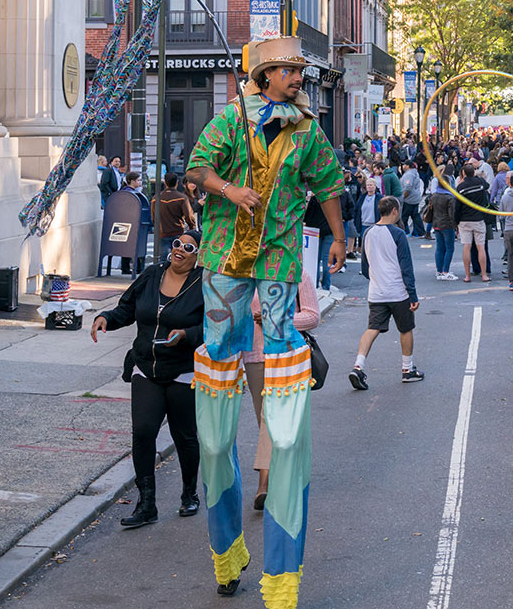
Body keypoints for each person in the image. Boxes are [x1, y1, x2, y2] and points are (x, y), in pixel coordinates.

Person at [186, 36, 345, 605]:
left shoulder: (306, 129)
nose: (299, 78)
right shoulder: (230, 121)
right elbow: (196, 169)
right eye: (289, 71)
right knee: (214, 421)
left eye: (299, 71)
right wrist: (232, 189)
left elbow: (328, 184)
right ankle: (227, 553)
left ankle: (282, 577)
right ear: (264, 75)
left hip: (278, 265)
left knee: (284, 420)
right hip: (224, 264)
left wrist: (339, 236)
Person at [91, 230, 205, 527]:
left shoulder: (203, 283)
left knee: (185, 436)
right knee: (143, 432)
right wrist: (106, 318)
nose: (179, 249)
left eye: (188, 247)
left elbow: (214, 326)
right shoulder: (152, 275)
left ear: (198, 256)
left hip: (183, 369)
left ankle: (189, 494)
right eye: (177, 244)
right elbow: (127, 309)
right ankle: (146, 504)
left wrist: (187, 335)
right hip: (146, 366)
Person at [244, 271, 320, 510]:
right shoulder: (246, 272)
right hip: (255, 357)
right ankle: (284, 478)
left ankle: (264, 482)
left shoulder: (297, 273)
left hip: (288, 357)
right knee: (265, 422)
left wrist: (274, 319)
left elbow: (312, 316)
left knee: (271, 420)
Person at [350, 197, 423, 390]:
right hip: (398, 291)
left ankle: (358, 365)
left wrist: (375, 277)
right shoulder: (398, 234)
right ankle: (407, 369)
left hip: (377, 292)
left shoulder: (368, 233)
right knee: (405, 328)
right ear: (394, 211)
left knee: (373, 328)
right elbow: (406, 266)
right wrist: (413, 295)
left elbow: (365, 267)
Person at [454, 163, 491, 282]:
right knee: (481, 247)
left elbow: (457, 206)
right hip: (478, 218)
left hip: (464, 219)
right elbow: (487, 185)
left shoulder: (460, 187)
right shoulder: (480, 182)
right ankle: (484, 274)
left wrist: (456, 222)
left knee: (466, 246)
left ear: (463, 173)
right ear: (474, 172)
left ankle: (467, 275)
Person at [427, 174, 460, 281]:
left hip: (436, 224)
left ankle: (439, 271)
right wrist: (455, 226)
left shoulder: (434, 196)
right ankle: (446, 271)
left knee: (440, 248)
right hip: (447, 225)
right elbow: (452, 214)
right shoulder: (450, 197)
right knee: (449, 248)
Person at [152, 172, 197, 241]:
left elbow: (153, 216)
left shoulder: (156, 198)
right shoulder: (182, 198)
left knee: (163, 252)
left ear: (165, 183)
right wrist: (192, 227)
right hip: (178, 231)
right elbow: (188, 215)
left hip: (162, 232)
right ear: (177, 182)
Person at [399, 159, 425, 237]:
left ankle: (402, 231)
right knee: (415, 215)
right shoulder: (415, 173)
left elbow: (408, 187)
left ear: (408, 166)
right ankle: (421, 232)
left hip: (409, 199)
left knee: (404, 217)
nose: (403, 166)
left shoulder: (408, 174)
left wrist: (404, 196)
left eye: (404, 165)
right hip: (415, 197)